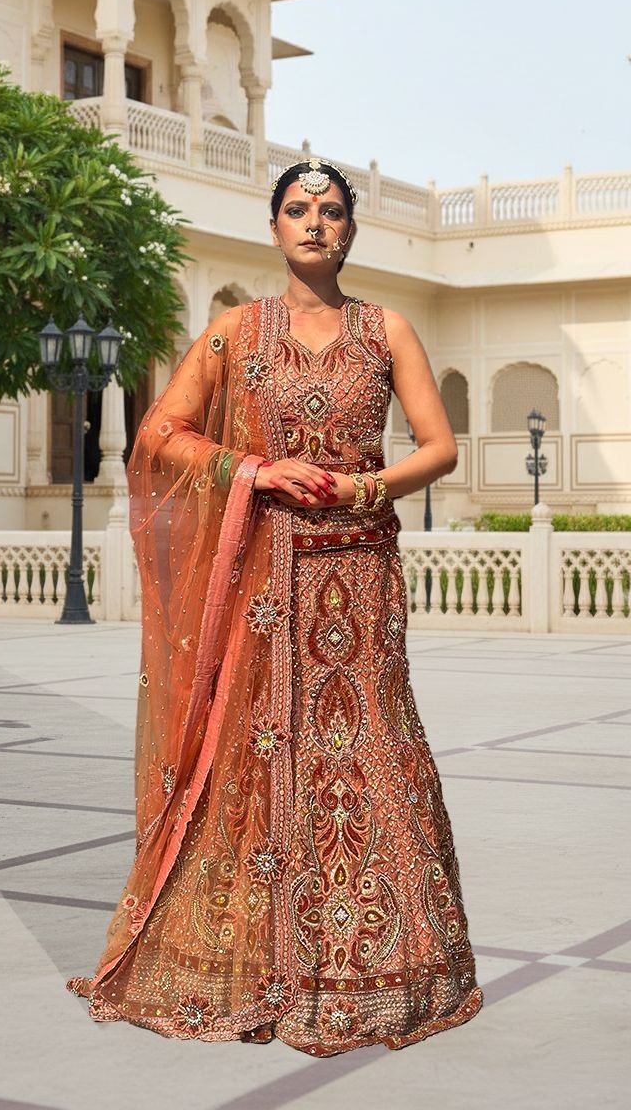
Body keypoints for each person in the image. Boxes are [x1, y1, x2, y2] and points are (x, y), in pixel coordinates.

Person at [66, 158, 484, 1056]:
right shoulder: (233, 333)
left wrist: (363, 487)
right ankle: (254, 966)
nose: (315, 224)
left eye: (331, 211)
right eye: (298, 209)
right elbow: (159, 434)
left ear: (351, 230)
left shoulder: (389, 330)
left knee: (371, 743)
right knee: (259, 757)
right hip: (262, 584)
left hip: (362, 578)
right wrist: (253, 469)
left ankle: (390, 965)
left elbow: (440, 446)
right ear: (274, 227)